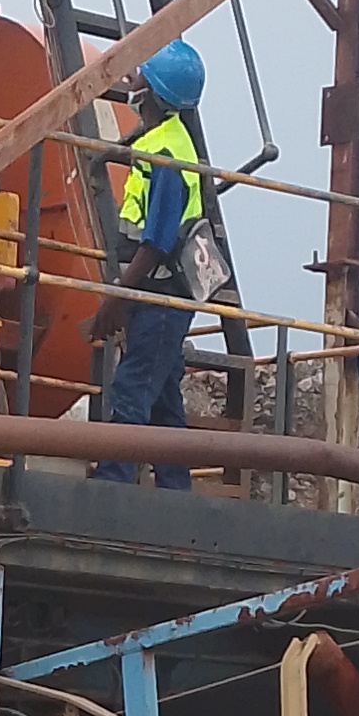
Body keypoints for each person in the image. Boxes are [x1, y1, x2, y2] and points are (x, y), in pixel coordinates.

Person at [88, 39, 210, 489]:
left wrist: (116, 298)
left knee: (133, 388)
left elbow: (157, 240)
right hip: (161, 294)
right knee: (162, 401)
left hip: (160, 296)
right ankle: (175, 492)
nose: (130, 79)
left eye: (139, 75)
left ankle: (113, 483)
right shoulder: (162, 138)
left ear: (154, 91)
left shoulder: (166, 154)